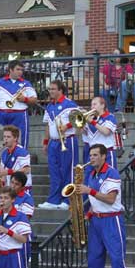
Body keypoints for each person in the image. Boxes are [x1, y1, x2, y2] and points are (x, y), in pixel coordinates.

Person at [76, 144, 135, 268]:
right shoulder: (92, 173)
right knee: (94, 262)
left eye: (95, 155)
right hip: (96, 221)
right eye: (90, 155)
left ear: (103, 156)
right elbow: (97, 201)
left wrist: (89, 191)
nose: (91, 158)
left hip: (112, 219)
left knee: (117, 260)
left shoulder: (112, 173)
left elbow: (110, 199)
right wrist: (89, 212)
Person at [37, 80, 79, 210]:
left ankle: (68, 200)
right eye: (50, 89)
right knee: (54, 172)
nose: (51, 91)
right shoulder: (49, 107)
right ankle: (54, 200)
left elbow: (79, 119)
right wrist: (45, 142)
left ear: (60, 90)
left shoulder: (69, 104)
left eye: (53, 89)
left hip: (67, 140)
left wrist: (67, 126)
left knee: (68, 171)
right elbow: (48, 126)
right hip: (53, 143)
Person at [0, 60, 38, 148]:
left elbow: (34, 100)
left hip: (20, 115)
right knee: (2, 140)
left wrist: (25, 99)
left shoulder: (26, 84)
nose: (20, 72)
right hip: (2, 114)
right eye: (18, 69)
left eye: (22, 70)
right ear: (11, 70)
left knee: (20, 140)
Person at [81, 96, 118, 171]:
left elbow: (106, 132)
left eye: (94, 104)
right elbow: (82, 132)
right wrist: (79, 124)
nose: (92, 107)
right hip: (92, 154)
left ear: (102, 105)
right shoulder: (90, 118)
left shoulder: (110, 117)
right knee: (89, 179)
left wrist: (92, 122)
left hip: (106, 153)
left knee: (108, 178)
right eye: (91, 105)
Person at [0, 125, 33, 191]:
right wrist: (1, 184)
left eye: (8, 137)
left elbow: (27, 170)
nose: (5, 139)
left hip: (23, 189)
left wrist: (8, 172)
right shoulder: (4, 153)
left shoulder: (22, 152)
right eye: (4, 137)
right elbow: (4, 174)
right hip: (10, 190)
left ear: (15, 138)